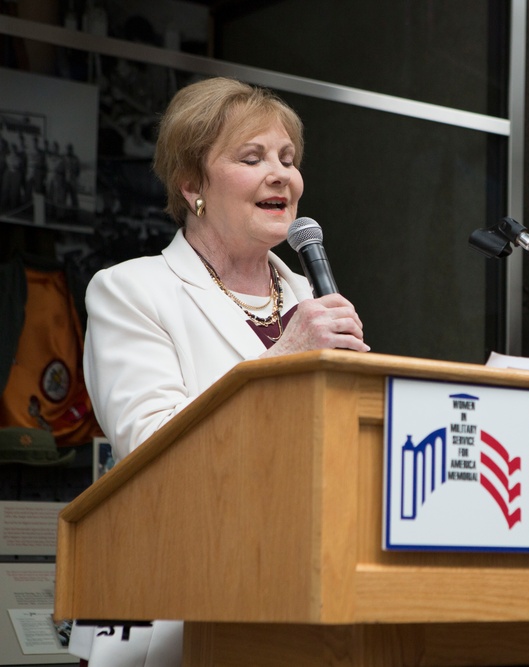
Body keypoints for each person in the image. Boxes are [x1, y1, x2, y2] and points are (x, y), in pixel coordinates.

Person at [71, 76, 369, 667]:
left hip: (302, 600)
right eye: (251, 157)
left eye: (288, 158)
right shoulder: (132, 291)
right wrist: (283, 357)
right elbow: (152, 448)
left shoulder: (311, 296)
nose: (280, 174)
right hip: (177, 607)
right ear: (192, 186)